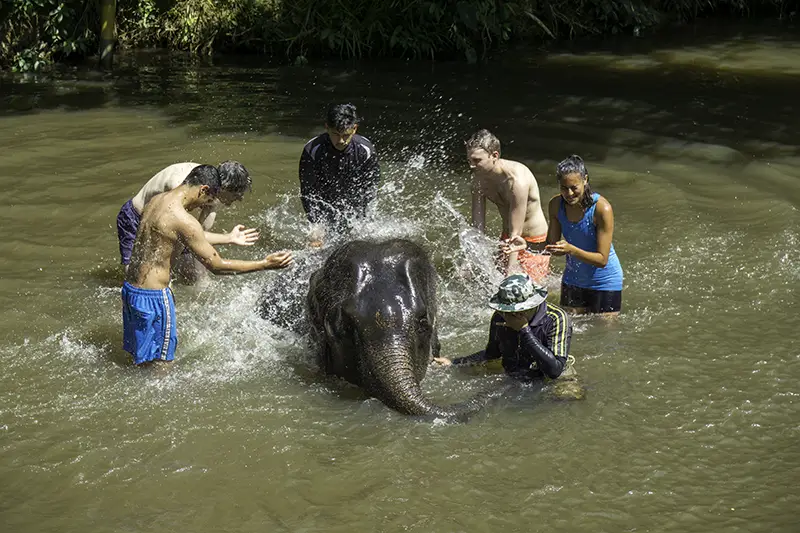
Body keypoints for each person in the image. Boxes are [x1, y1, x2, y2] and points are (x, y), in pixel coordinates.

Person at [122, 165, 294, 366]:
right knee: (162, 365)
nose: (208, 205)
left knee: (138, 359)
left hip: (130, 291)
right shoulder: (183, 219)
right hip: (154, 298)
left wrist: (228, 238)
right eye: (209, 200)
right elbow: (217, 265)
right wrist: (264, 264)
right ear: (203, 190)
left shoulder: (154, 201)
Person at [504, 155, 623, 315]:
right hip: (572, 280)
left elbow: (602, 260)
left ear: (585, 180)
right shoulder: (556, 205)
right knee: (572, 328)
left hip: (605, 281)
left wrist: (571, 250)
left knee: (603, 331)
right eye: (564, 188)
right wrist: (527, 246)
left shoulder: (602, 209)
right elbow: (550, 247)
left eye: (574, 187)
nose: (569, 193)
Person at [116, 161, 260, 280]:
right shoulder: (183, 186)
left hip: (168, 221)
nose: (237, 200)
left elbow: (200, 240)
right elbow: (186, 233)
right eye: (236, 195)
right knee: (137, 276)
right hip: (137, 217)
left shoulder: (211, 194)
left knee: (191, 275)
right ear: (225, 188)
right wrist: (227, 238)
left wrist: (203, 283)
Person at [434, 274, 572, 381]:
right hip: (515, 378)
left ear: (533, 304)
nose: (511, 315)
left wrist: (524, 330)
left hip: (552, 377)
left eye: (519, 310)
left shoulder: (557, 318)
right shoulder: (500, 316)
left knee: (568, 397)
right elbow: (492, 354)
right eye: (507, 311)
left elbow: (555, 371)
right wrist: (454, 362)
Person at [466, 129, 550, 281]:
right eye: (469, 160)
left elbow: (516, 233)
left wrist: (511, 270)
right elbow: (478, 227)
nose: (472, 166)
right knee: (486, 283)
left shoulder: (517, 181)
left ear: (494, 156)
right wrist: (471, 260)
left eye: (477, 161)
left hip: (532, 242)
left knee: (527, 290)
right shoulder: (478, 181)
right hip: (507, 239)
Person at [299, 103, 381, 244]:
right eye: (336, 134)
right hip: (323, 200)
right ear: (327, 128)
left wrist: (362, 221)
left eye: (345, 135)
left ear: (354, 129)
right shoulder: (312, 150)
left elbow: (370, 190)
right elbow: (307, 192)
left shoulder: (366, 151)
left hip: (353, 201)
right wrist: (316, 225)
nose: (341, 140)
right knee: (315, 242)